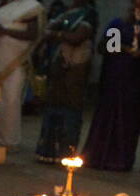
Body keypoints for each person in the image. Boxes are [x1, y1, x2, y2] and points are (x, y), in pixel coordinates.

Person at [81, 0, 140, 171]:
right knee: (105, 117)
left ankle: (119, 160)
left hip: (133, 83)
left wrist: (134, 50)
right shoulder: (117, 24)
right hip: (112, 79)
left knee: (127, 120)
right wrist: (124, 47)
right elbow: (107, 47)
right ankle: (96, 157)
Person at [34, 0, 96, 163]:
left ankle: (66, 153)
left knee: (70, 109)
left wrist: (56, 34)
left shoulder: (88, 14)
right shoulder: (63, 12)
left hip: (76, 67)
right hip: (57, 65)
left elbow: (78, 37)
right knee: (52, 105)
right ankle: (47, 152)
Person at [0, 0, 44, 148]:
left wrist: (5, 31)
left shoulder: (30, 6)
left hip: (15, 60)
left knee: (11, 100)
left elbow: (32, 34)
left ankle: (8, 141)